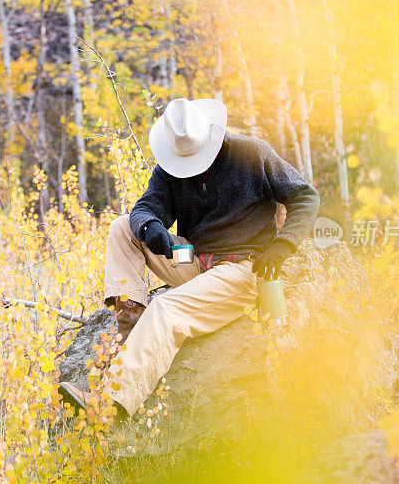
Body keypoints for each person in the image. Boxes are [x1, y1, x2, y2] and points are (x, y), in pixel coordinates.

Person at [58, 98, 320, 420]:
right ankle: (130, 327)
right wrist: (151, 226)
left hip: (243, 271)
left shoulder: (252, 153)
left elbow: (306, 196)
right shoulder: (171, 165)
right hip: (193, 261)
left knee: (166, 309)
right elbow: (144, 208)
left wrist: (283, 245)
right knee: (122, 227)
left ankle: (109, 405)